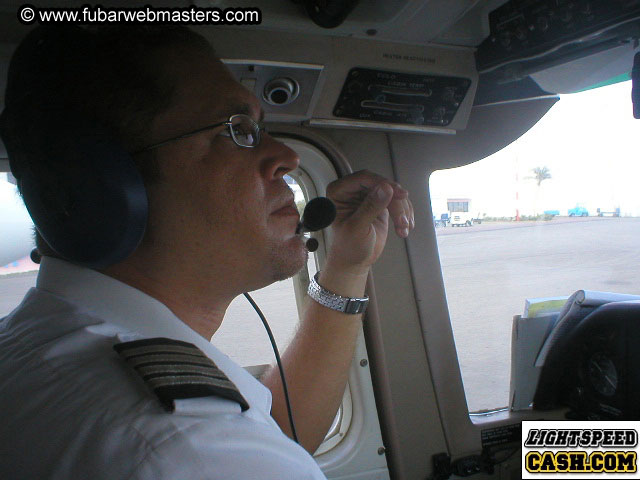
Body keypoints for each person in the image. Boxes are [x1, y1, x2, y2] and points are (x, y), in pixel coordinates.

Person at [0, 25, 414, 479]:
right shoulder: (193, 453)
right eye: (237, 130)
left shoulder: (30, 340)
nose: (287, 157)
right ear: (102, 184)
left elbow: (274, 435)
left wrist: (348, 268)